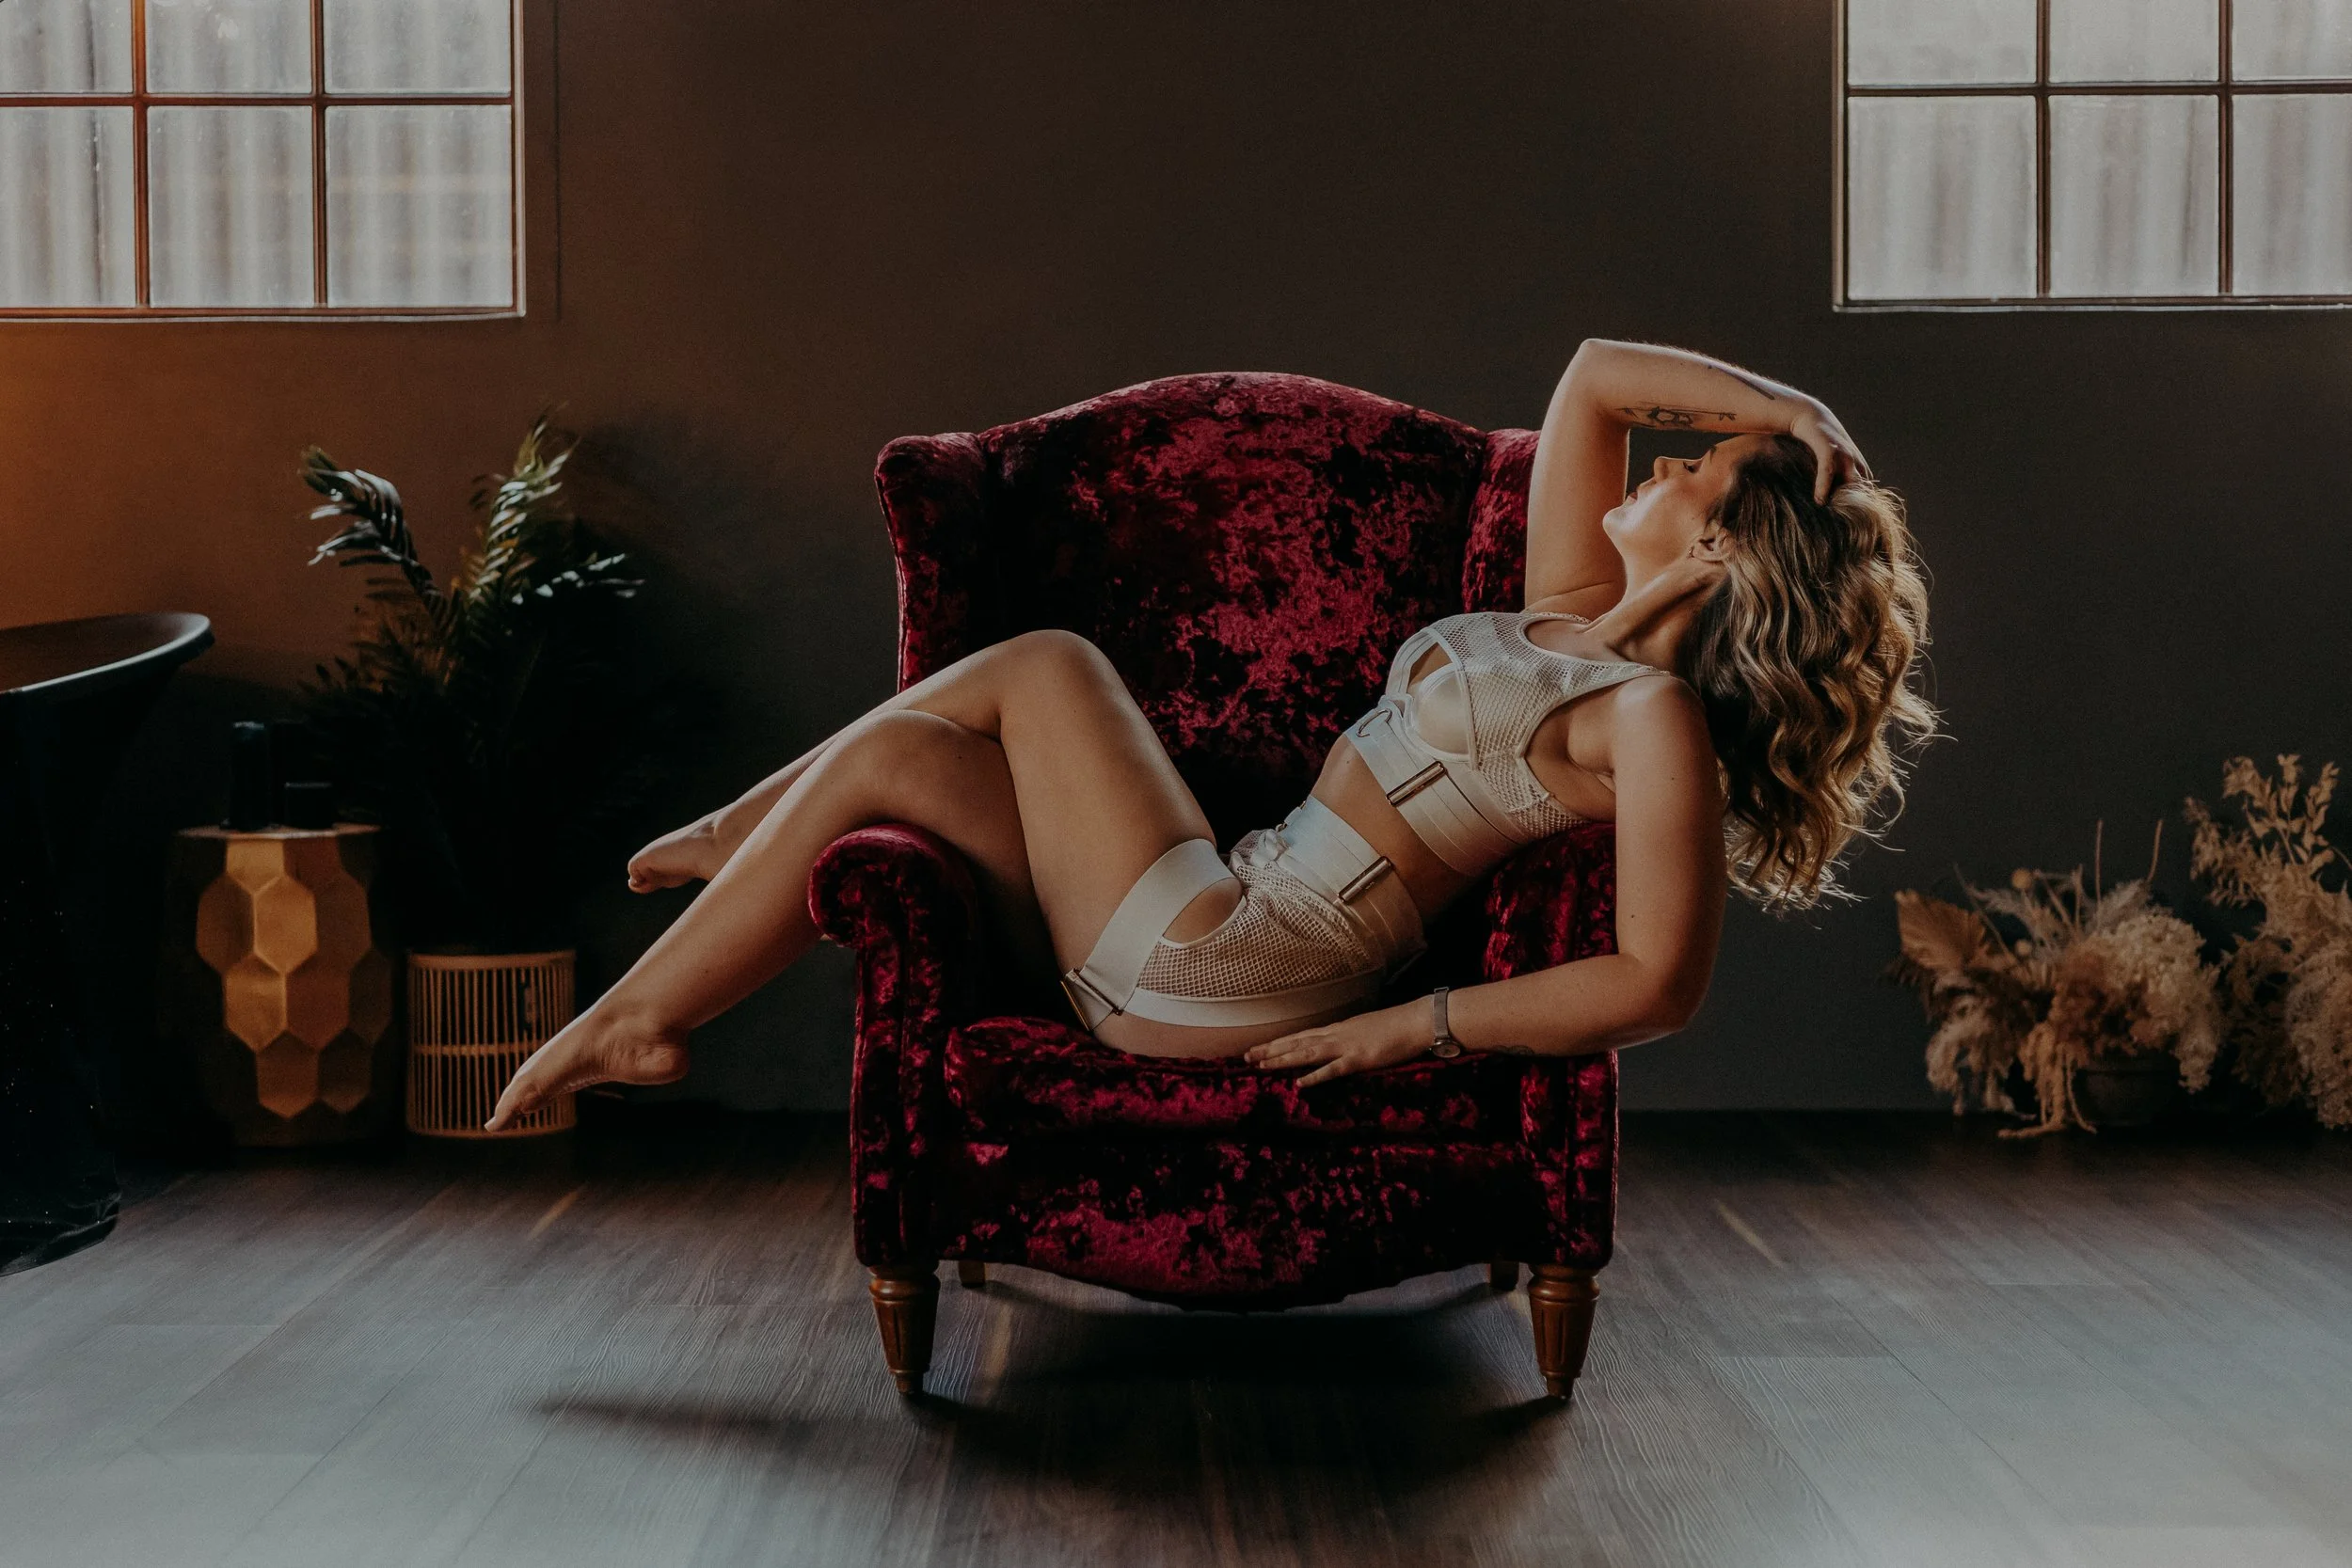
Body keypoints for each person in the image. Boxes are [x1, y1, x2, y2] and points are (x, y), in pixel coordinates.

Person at [485, 340, 1932, 1131]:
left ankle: (709, 882)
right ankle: (656, 1000)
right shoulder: (1565, 622)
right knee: (897, 764)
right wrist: (1789, 406)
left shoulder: (1649, 718)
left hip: (1237, 967)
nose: (1665, 460)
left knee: (1050, 664)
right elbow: (1595, 375)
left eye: (1699, 470)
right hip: (1222, 898)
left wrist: (1415, 1028)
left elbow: (1656, 981)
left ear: (1724, 552)